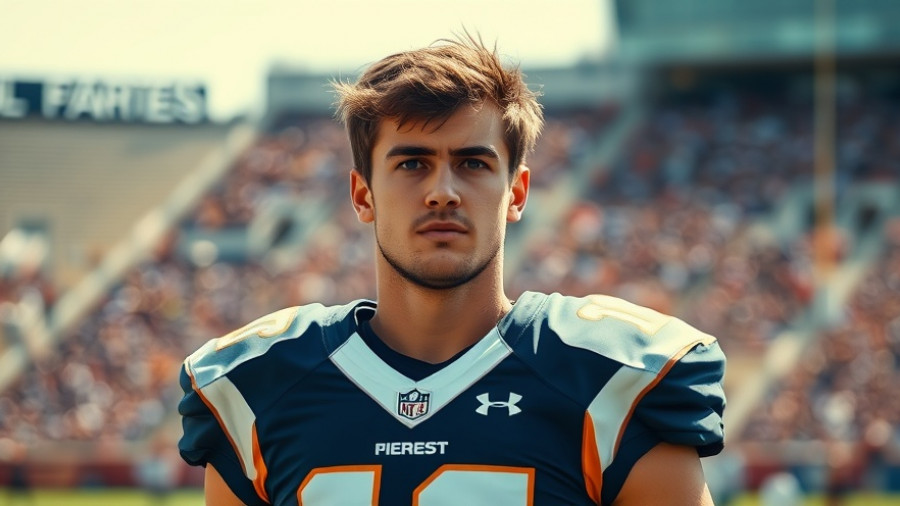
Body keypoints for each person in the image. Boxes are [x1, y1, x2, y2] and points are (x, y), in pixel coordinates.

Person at [178, 34, 726, 505]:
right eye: (413, 163)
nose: (443, 192)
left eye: (472, 163)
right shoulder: (261, 383)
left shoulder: (609, 376)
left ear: (516, 191)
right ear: (362, 194)